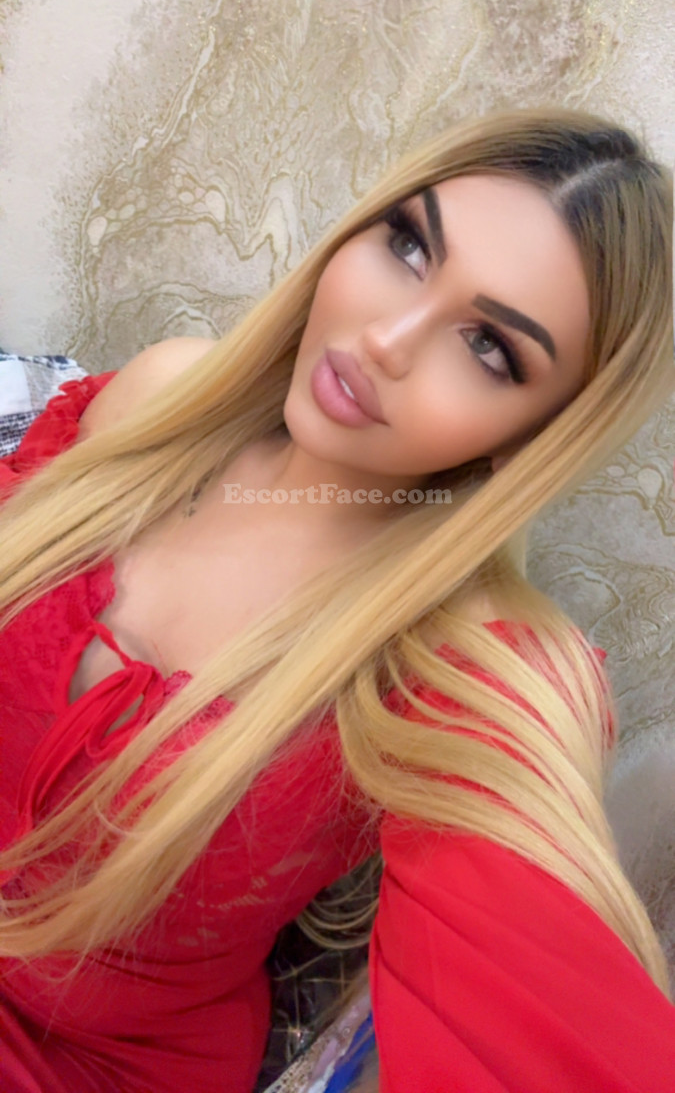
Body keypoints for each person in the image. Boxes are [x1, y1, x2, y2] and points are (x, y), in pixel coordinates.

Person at [1, 106, 675, 1093]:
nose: (386, 339)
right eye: (408, 245)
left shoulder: (466, 667)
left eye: (490, 347)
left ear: (540, 434)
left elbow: (541, 1021)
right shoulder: (162, 397)